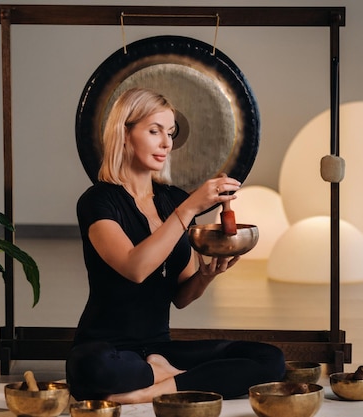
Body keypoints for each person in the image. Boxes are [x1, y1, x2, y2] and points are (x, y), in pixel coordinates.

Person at [66, 87, 285, 403]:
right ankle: (173, 377)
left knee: (269, 359)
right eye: (154, 131)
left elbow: (182, 296)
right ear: (124, 133)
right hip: (108, 349)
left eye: (170, 133)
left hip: (160, 348)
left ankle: (156, 387)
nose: (167, 143)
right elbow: (135, 268)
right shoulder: (98, 201)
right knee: (91, 370)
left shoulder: (173, 201)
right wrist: (189, 210)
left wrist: (206, 277)